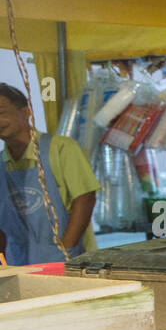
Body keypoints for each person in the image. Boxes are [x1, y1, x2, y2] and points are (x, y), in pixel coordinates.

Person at [0, 83, 98, 265]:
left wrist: (65, 249)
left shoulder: (61, 148)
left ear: (25, 112)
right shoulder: (1, 164)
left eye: (1, 113)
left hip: (65, 260)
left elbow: (85, 198)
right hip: (18, 264)